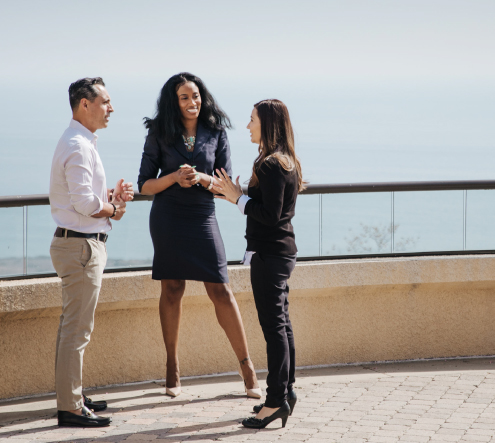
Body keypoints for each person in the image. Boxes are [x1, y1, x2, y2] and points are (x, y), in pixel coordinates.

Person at [137, 72, 260, 398]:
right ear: (173, 103)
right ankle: (172, 366)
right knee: (172, 289)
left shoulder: (216, 132)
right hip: (167, 218)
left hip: (202, 218)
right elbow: (145, 185)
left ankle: (247, 367)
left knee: (221, 291)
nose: (192, 103)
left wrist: (202, 178)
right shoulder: (159, 133)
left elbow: (225, 186)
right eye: (184, 98)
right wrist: (175, 177)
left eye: (195, 96)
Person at [214, 99, 306, 429]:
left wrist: (237, 198)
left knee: (274, 329)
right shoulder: (283, 162)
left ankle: (275, 401)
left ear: (267, 124)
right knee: (281, 326)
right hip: (279, 253)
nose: (248, 125)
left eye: (252, 119)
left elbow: (270, 215)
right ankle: (286, 394)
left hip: (270, 255)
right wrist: (237, 194)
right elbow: (272, 206)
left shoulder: (270, 164)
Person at [49, 77, 134, 427]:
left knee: (72, 327)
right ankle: (70, 407)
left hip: (76, 243)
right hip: (81, 246)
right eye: (106, 101)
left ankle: (73, 396)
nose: (111, 108)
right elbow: (84, 203)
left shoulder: (78, 141)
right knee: (77, 330)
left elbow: (83, 199)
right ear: (85, 104)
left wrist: (111, 200)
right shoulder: (79, 145)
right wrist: (113, 209)